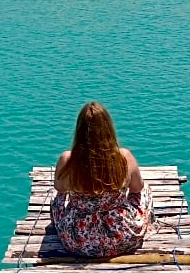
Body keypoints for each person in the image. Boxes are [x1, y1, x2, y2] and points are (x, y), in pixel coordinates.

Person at [50, 101, 153, 257]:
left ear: (79, 129)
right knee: (145, 190)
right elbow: (137, 188)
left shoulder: (68, 160)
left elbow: (60, 188)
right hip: (120, 238)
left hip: (78, 241)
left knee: (57, 197)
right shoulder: (124, 157)